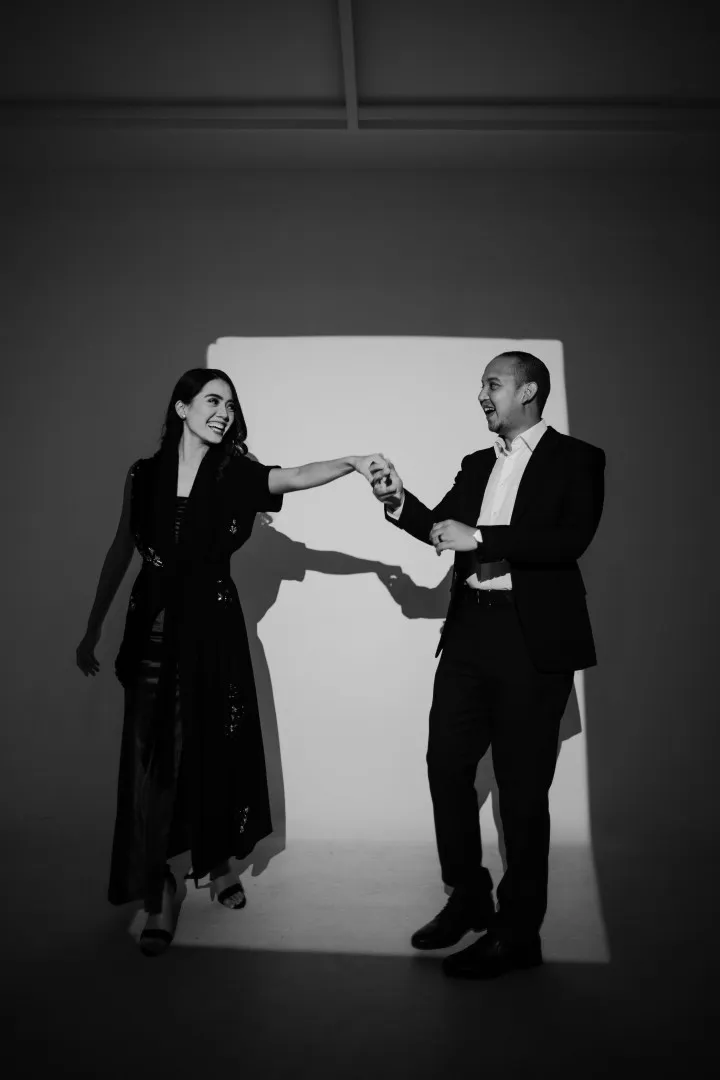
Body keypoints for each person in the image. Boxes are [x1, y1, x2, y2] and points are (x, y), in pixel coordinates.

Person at [76, 367, 386, 957]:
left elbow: (295, 476)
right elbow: (121, 549)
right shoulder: (144, 475)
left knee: (213, 747)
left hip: (213, 633)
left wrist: (351, 461)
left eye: (231, 405)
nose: (224, 412)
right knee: (150, 763)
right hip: (152, 633)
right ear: (182, 407)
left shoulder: (235, 472)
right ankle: (160, 889)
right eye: (213, 401)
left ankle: (217, 863)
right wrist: (93, 626)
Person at [371, 351, 605, 979]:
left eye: (493, 384)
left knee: (522, 792)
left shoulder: (577, 459)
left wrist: (483, 538)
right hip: (470, 633)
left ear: (528, 391)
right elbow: (441, 527)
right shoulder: (478, 463)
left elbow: (570, 539)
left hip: (534, 642)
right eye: (481, 385)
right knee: (446, 765)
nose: (482, 394)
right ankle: (468, 897)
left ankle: (518, 933)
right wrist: (399, 502)